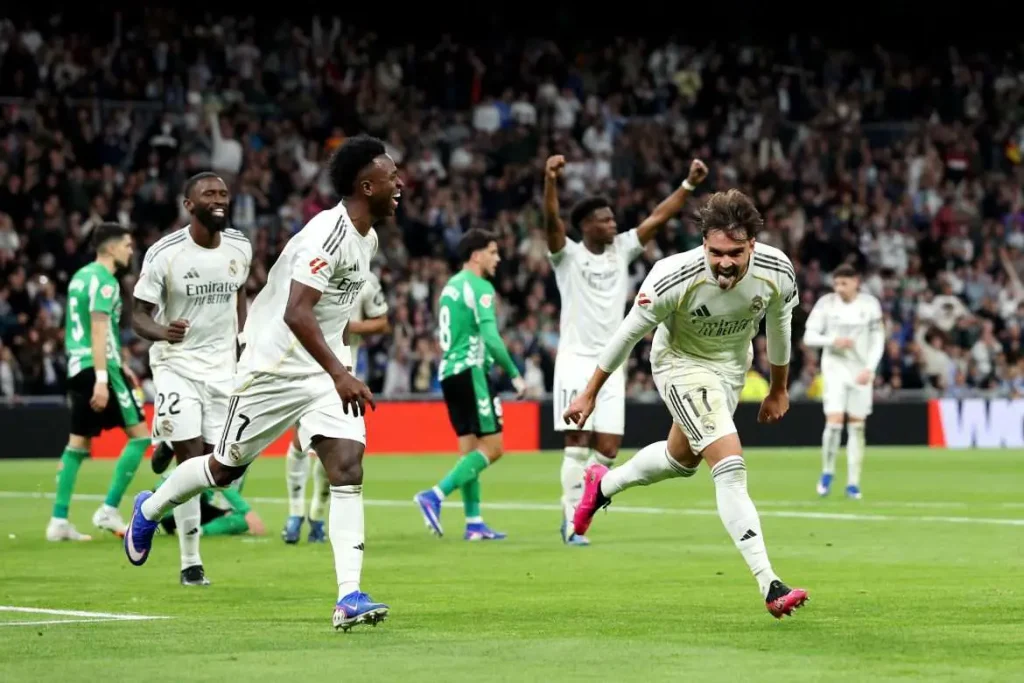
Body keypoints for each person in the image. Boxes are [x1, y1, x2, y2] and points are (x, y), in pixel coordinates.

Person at [123, 134, 402, 631]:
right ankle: (152, 506)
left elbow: (331, 316)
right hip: (272, 367)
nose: (399, 183)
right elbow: (297, 312)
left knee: (347, 466)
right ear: (366, 185)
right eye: (391, 176)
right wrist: (341, 373)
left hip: (324, 367)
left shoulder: (369, 237)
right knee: (223, 469)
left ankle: (349, 596)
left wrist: (337, 368)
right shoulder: (327, 236)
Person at [565, 189, 809, 619]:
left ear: (753, 243)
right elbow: (627, 334)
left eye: (735, 252)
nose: (725, 263)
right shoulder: (671, 275)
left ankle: (602, 485)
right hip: (679, 363)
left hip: (732, 367)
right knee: (729, 465)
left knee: (681, 461)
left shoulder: (777, 270)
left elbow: (779, 326)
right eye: (716, 252)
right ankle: (769, 582)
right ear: (703, 244)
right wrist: (589, 391)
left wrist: (778, 388)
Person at [543, 154, 708, 546]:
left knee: (609, 450)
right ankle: (569, 522)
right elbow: (551, 222)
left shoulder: (622, 249)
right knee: (577, 443)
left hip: (611, 362)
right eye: (604, 218)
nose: (612, 222)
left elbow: (656, 219)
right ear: (585, 226)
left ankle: (585, 501)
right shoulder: (567, 255)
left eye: (612, 217)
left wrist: (688, 185)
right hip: (575, 360)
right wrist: (550, 182)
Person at [131, 172, 251, 586]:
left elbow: (240, 294)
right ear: (189, 205)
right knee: (190, 459)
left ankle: (162, 444)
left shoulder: (240, 246)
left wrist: (243, 339)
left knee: (225, 468)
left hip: (223, 370)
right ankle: (190, 562)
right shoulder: (165, 254)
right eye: (209, 194)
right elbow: (138, 314)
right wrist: (164, 331)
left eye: (223, 193)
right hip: (176, 364)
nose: (219, 199)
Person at [413, 229, 526, 541]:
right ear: (476, 255)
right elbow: (491, 337)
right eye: (493, 251)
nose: (498, 258)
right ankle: (434, 496)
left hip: (449, 373)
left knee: (470, 453)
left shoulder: (450, 287)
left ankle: (474, 523)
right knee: (494, 447)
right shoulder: (480, 286)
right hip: (471, 371)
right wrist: (514, 374)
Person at [47, 222, 150, 541]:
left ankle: (59, 520)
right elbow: (99, 330)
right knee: (140, 436)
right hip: (97, 368)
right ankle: (108, 509)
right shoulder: (106, 282)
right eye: (127, 245)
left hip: (78, 365)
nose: (130, 250)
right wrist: (105, 378)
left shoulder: (80, 277)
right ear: (109, 247)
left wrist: (120, 364)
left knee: (78, 443)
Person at [283, 271, 389, 544]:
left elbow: (381, 322)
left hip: (344, 372)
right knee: (299, 440)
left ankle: (316, 516)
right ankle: (294, 514)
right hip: (304, 366)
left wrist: (348, 325)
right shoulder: (310, 270)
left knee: (333, 447)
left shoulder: (366, 279)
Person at [802, 264, 884, 499]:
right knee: (834, 422)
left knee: (857, 426)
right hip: (835, 368)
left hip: (860, 371)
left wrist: (870, 368)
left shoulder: (870, 305)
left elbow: (878, 339)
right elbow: (809, 336)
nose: (839, 288)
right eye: (836, 284)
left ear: (856, 282)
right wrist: (833, 340)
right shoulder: (826, 304)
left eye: (844, 283)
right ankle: (827, 472)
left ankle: (853, 483)